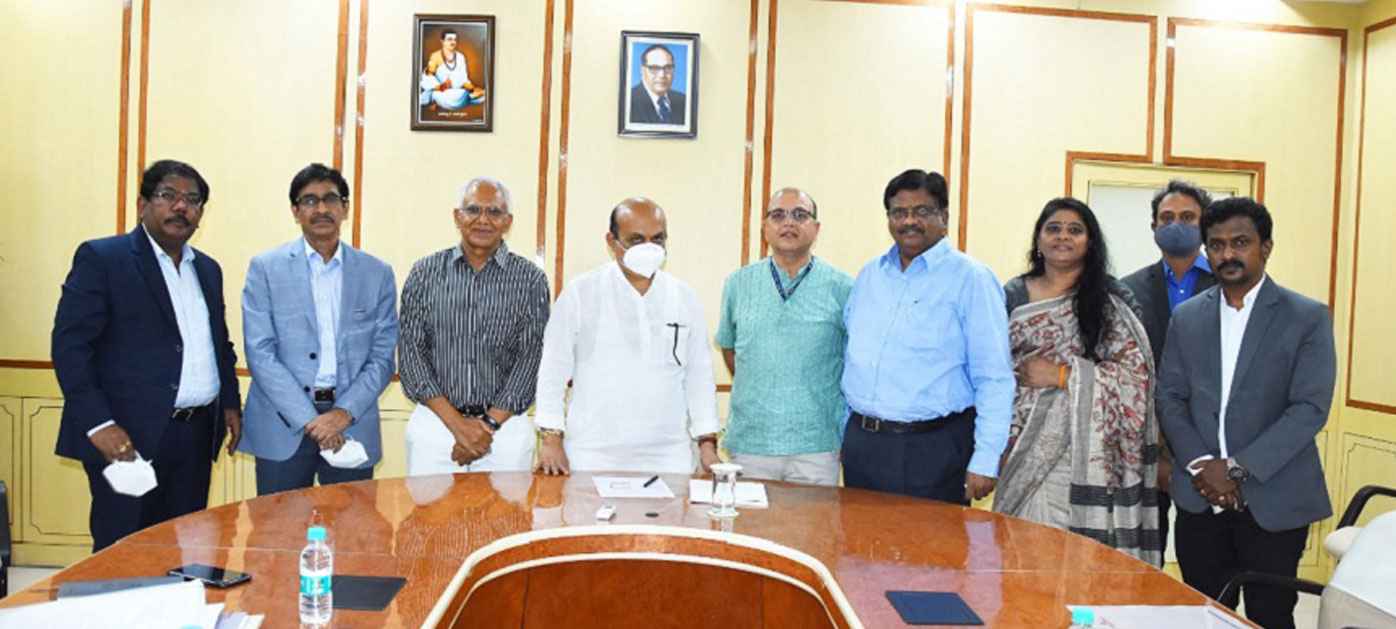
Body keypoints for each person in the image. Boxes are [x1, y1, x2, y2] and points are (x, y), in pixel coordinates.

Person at [1158, 197, 1335, 629]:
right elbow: (1170, 398)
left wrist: (1235, 469)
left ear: (1265, 247)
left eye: (1240, 242)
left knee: (1270, 615)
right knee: (1203, 615)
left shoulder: (1306, 317)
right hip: (1200, 498)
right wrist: (1203, 466)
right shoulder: (1187, 317)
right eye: (1216, 245)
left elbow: (1309, 407)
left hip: (1274, 497)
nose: (1227, 254)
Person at [51, 159, 242, 551]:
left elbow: (218, 344)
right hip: (127, 436)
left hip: (195, 436)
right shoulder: (104, 258)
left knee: (183, 548)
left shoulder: (207, 270)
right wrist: (99, 424)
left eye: (192, 200)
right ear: (142, 205)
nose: (181, 206)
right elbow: (70, 347)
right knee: (123, 552)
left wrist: (230, 404)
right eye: (168, 195)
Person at [994, 197, 1160, 564]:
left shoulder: (1113, 297)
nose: (1063, 237)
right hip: (1020, 443)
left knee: (1076, 561)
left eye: (1075, 230)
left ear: (1090, 242)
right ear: (1038, 240)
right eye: (1053, 229)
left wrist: (1062, 376)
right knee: (1023, 558)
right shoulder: (1012, 294)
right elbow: (992, 369)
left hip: (1086, 451)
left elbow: (1136, 378)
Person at [840, 169, 1014, 505]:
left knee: (931, 541)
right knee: (859, 539)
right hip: (863, 447)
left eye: (921, 211)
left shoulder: (971, 279)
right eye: (899, 212)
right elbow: (853, 357)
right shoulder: (870, 275)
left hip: (932, 450)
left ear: (944, 217)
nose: (909, 221)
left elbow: (994, 377)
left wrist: (986, 458)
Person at [239, 163, 399, 495]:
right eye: (310, 200)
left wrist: (342, 413)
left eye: (331, 199)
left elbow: (382, 357)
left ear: (345, 208)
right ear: (295, 211)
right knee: (278, 525)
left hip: (351, 423)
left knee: (352, 523)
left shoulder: (376, 273)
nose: (322, 208)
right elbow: (260, 353)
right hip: (282, 424)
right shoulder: (265, 269)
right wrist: (310, 420)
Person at [535, 197, 720, 475]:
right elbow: (553, 369)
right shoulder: (581, 293)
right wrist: (551, 439)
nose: (649, 248)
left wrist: (707, 444)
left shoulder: (684, 297)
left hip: (669, 455)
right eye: (636, 240)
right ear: (612, 241)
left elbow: (699, 376)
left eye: (657, 239)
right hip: (592, 453)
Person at [398, 177, 549, 475]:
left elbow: (531, 358)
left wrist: (488, 425)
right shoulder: (424, 273)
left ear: (507, 222)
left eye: (494, 212)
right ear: (458, 217)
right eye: (473, 210)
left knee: (506, 508)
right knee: (429, 506)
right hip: (435, 424)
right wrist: (458, 425)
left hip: (506, 428)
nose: (483, 220)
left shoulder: (530, 279)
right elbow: (412, 354)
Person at [715, 188, 852, 486]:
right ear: (764, 227)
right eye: (778, 215)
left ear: (816, 228)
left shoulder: (842, 287)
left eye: (800, 215)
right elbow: (730, 348)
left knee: (815, 519)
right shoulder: (738, 284)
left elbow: (850, 359)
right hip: (752, 442)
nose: (789, 222)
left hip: (817, 445)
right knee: (749, 518)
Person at [1121, 179, 1216, 556]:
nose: (1177, 225)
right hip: (1145, 442)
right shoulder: (1127, 289)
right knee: (1145, 555)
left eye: (1188, 217)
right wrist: (1158, 450)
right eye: (1167, 217)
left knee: (1204, 560)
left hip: (1212, 444)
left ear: (1205, 225)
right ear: (1154, 226)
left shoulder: (1229, 284)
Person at [419, 30, 485, 111]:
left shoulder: (460, 57)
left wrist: (473, 89)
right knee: (441, 95)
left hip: (457, 91)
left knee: (480, 96)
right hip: (441, 91)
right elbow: (428, 76)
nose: (453, 42)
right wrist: (442, 86)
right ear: (442, 41)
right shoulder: (435, 56)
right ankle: (468, 97)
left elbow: (464, 79)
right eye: (450, 39)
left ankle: (469, 96)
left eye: (454, 39)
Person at [628, 45, 687, 125]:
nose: (662, 75)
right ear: (642, 70)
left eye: (668, 68)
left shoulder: (683, 101)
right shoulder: (629, 101)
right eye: (654, 68)